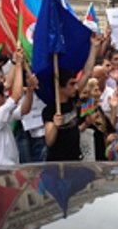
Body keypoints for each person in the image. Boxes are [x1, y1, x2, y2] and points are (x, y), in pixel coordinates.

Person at [43, 33, 101, 161]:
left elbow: (86, 73)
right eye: (71, 84)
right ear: (60, 87)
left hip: (75, 160)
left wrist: (93, 47)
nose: (76, 87)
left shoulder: (74, 101)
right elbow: (49, 141)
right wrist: (55, 126)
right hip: (57, 165)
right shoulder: (50, 110)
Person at [0, 49, 37, 167]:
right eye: (4, 94)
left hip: (10, 168)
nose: (7, 95)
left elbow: (23, 110)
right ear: (0, 98)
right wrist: (19, 65)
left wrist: (30, 91)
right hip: (0, 171)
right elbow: (16, 95)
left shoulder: (0, 114)